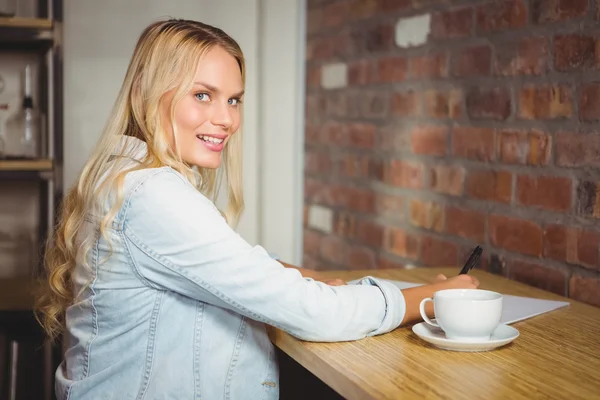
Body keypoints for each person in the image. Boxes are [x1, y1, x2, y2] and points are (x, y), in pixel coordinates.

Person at [35, 18, 479, 399]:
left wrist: (307, 276)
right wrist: (430, 300)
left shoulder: (124, 174)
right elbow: (314, 312)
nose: (226, 119)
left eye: (233, 99)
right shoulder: (152, 194)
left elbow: (216, 266)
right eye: (203, 95)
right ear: (146, 94)